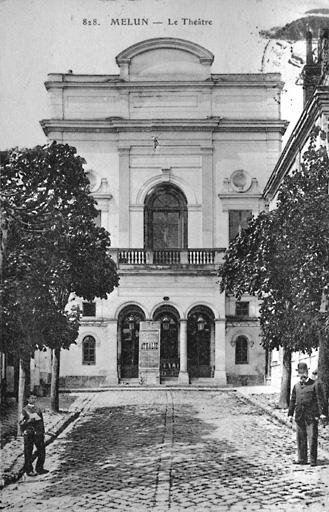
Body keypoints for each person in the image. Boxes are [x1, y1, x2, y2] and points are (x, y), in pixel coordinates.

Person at [288, 362, 327, 466]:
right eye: (300, 373)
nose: (302, 375)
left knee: (312, 438)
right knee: (300, 438)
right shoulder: (296, 386)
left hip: (311, 416)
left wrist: (322, 413)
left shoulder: (314, 384)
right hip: (299, 416)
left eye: (303, 372)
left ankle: (313, 460)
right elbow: (293, 400)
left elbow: (320, 399)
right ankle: (302, 459)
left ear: (307, 372)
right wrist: (290, 414)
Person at [19, 393, 49, 476]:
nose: (33, 400)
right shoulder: (24, 410)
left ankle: (39, 468)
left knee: (41, 450)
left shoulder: (38, 409)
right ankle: (29, 470)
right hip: (29, 433)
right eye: (32, 398)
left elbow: (41, 422)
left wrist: (42, 432)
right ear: (28, 399)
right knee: (28, 452)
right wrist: (24, 429)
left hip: (38, 433)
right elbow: (21, 422)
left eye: (35, 398)